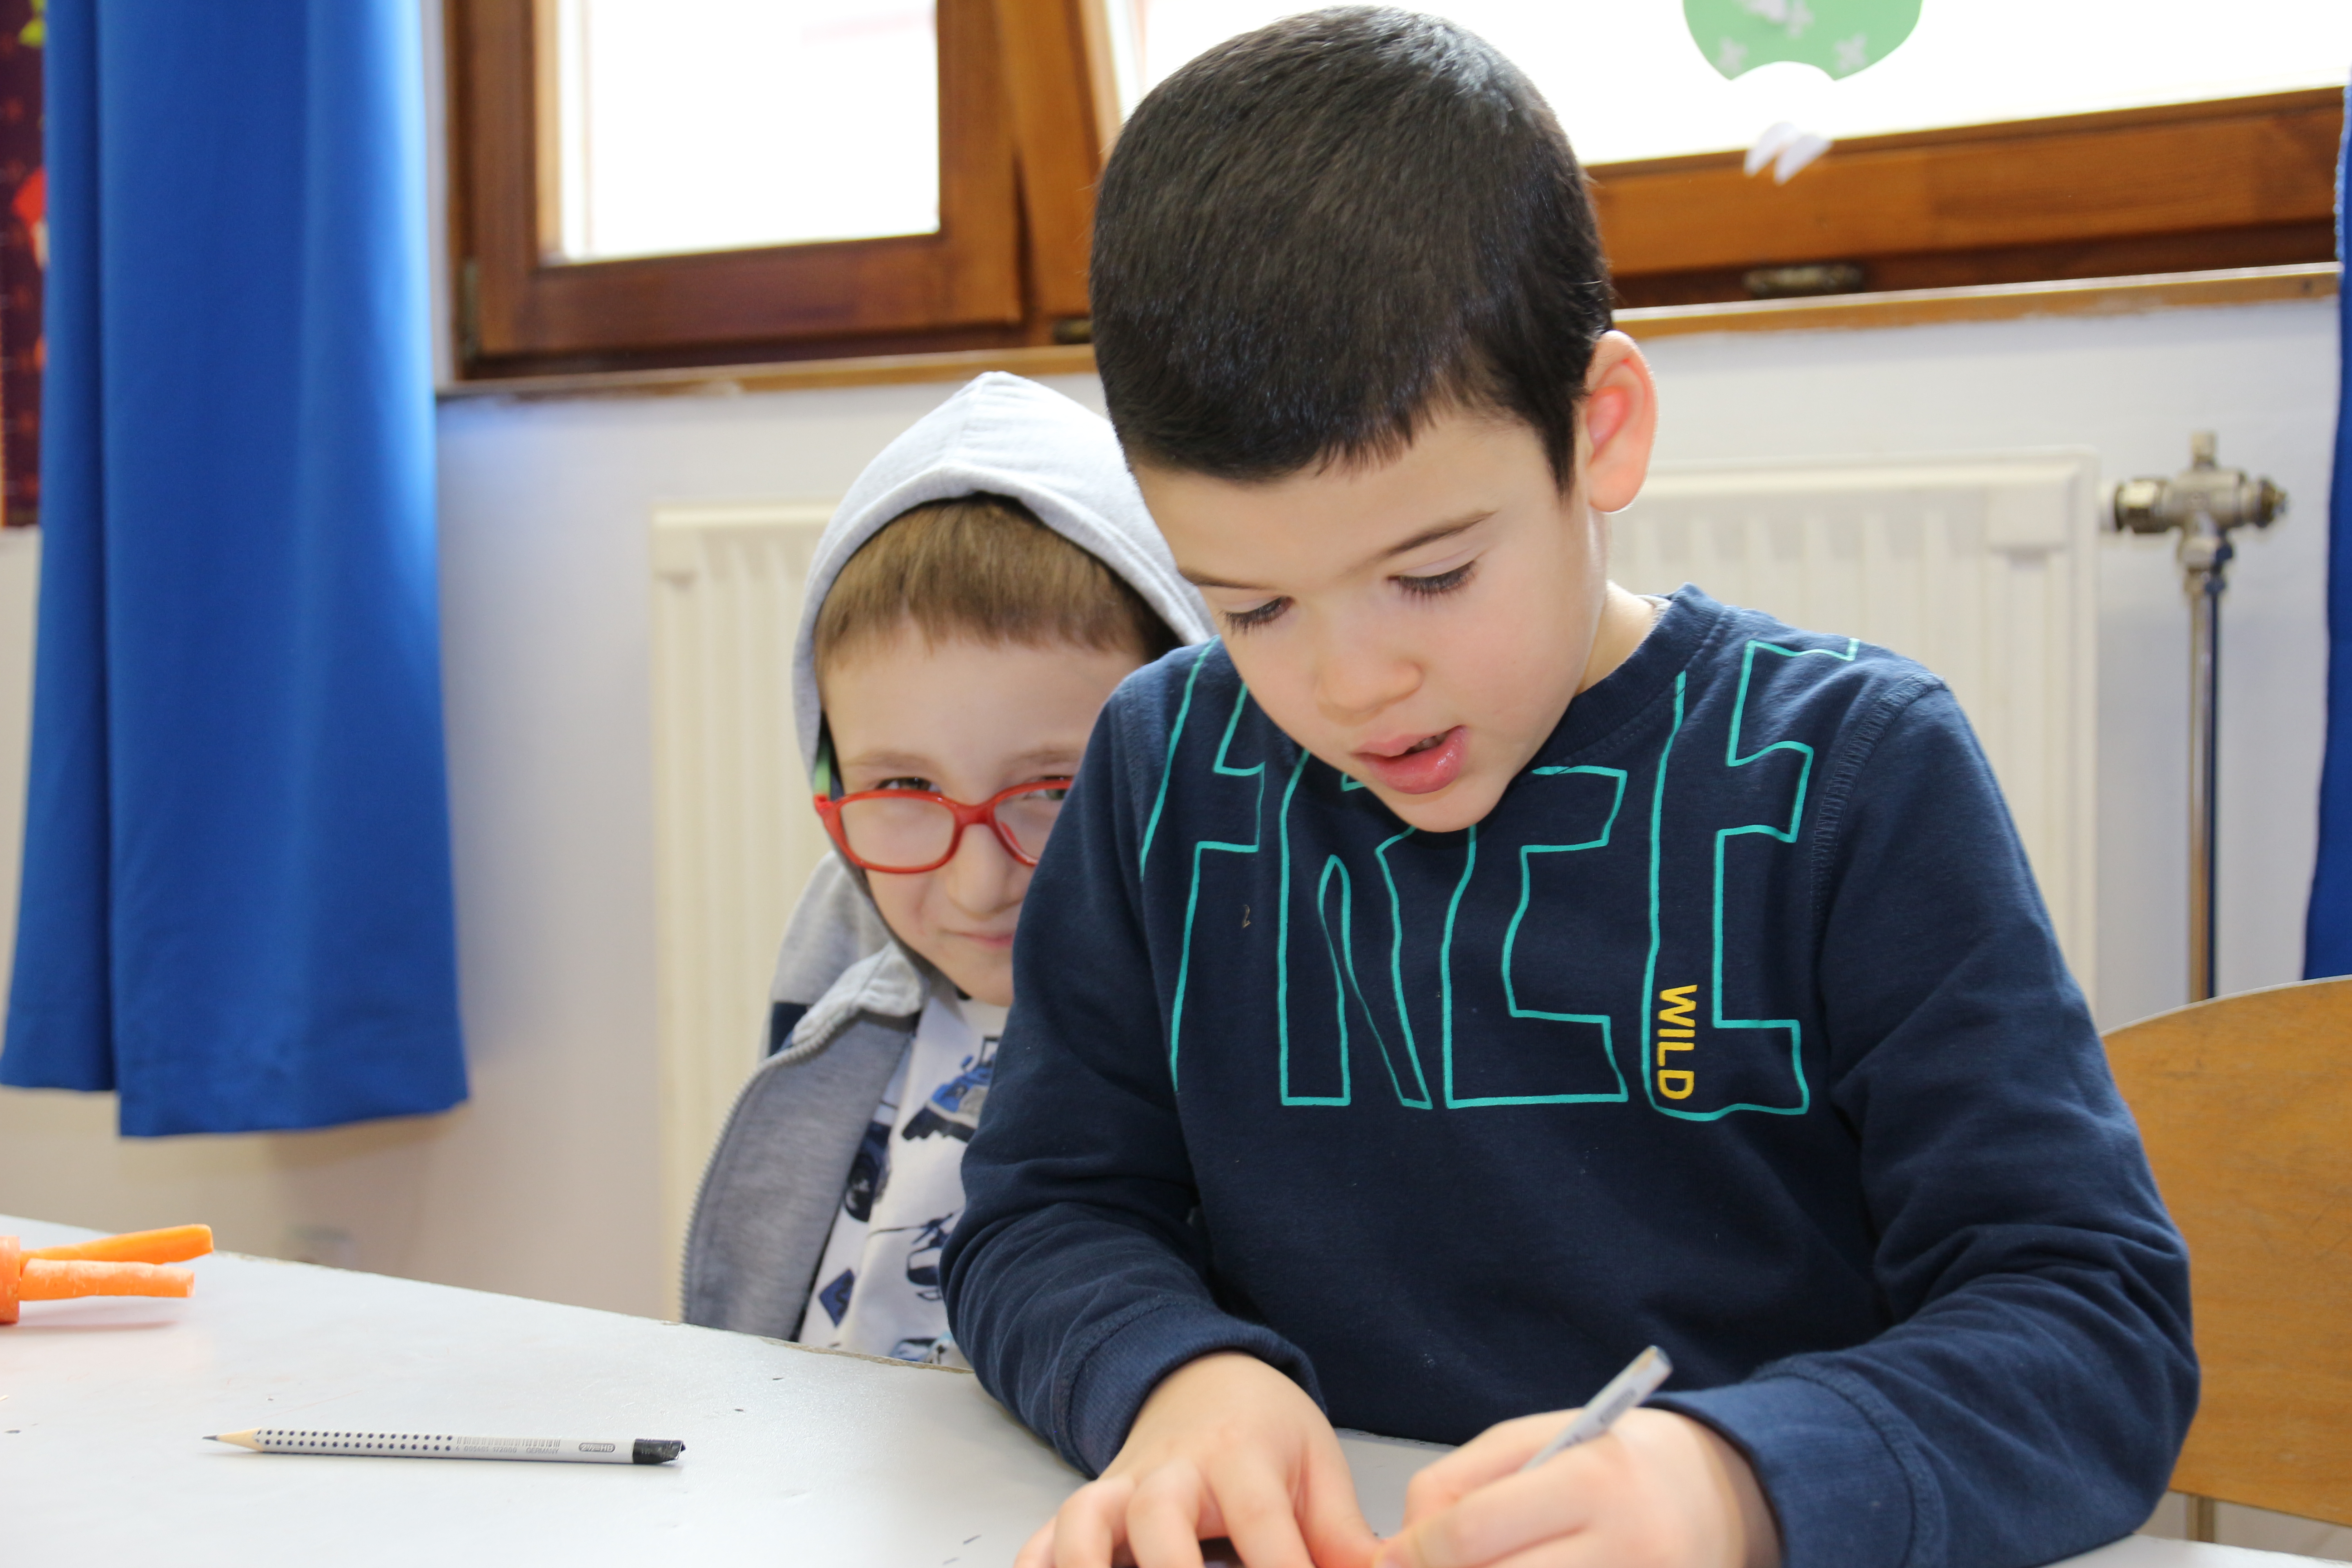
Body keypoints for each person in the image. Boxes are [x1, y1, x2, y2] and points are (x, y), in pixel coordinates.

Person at [940, 12, 2195, 1568]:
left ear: (1598, 432)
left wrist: (1733, 1485)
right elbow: (1043, 1214)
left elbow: (2091, 1327)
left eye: (1431, 573)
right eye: (1251, 607)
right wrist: (1177, 1377)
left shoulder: (1851, 774)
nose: (1351, 683)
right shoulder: (1162, 769)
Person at [681, 372, 1207, 1362]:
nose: (976, 885)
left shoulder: (1247, 1021)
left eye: (1055, 790)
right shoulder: (842, 946)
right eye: (906, 788)